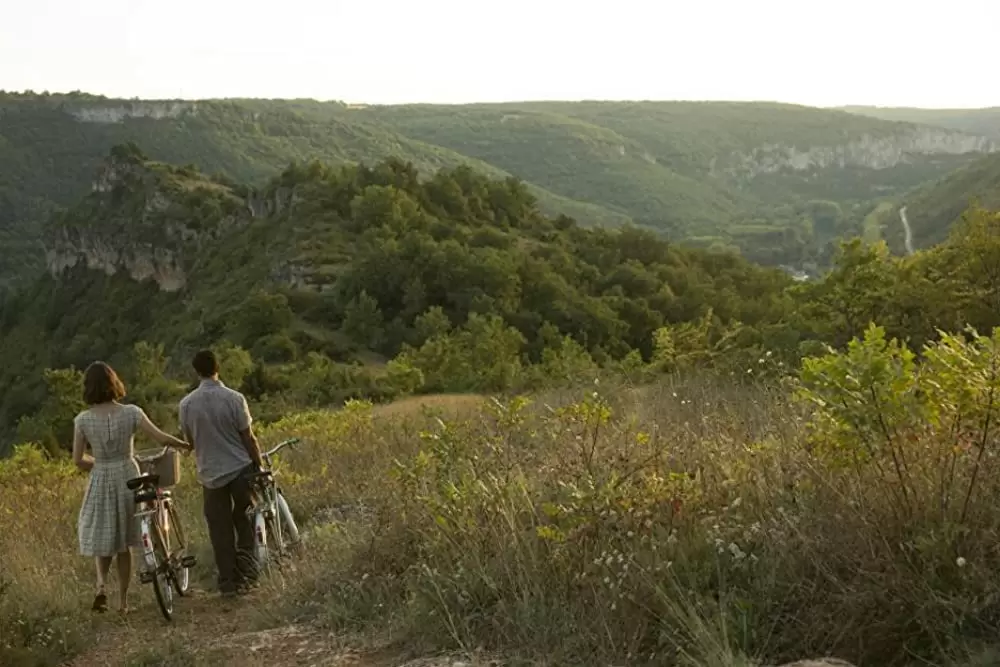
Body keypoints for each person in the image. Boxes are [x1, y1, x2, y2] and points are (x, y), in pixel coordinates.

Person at [72, 361, 191, 615]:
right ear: (114, 383)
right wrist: (183, 444)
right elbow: (159, 437)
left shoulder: (82, 420)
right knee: (124, 542)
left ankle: (101, 586)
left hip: (101, 477)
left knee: (106, 537)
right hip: (128, 474)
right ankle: (123, 603)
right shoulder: (132, 413)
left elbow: (78, 460)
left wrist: (100, 463)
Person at [178, 349, 263, 597]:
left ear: (197, 372)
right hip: (240, 468)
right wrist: (258, 464)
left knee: (220, 528)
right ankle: (248, 572)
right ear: (218, 368)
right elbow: (248, 436)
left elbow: (190, 440)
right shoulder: (235, 399)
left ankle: (227, 581)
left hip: (211, 474)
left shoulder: (186, 405)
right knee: (245, 519)